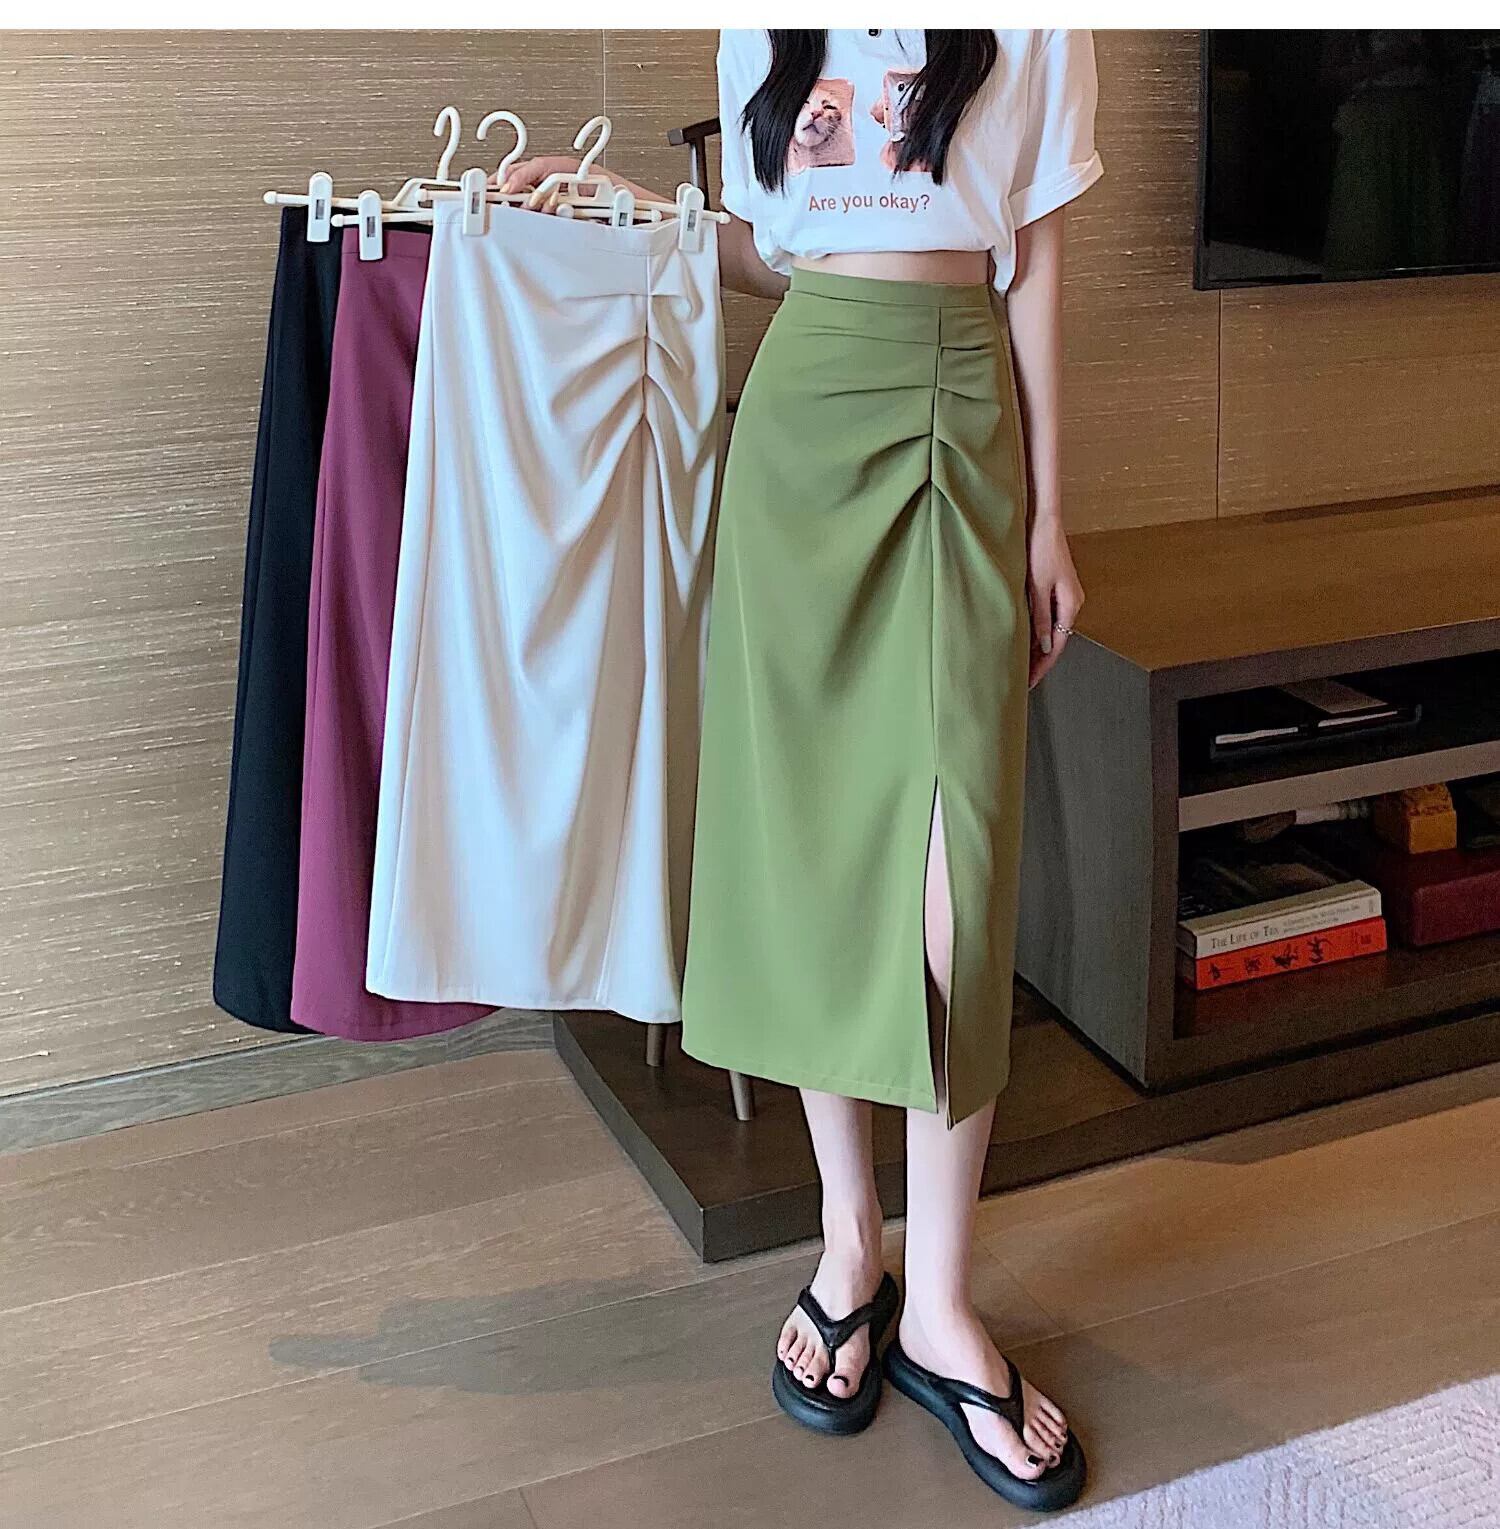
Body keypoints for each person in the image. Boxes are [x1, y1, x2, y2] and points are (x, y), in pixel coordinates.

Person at [503, 27, 1100, 1512]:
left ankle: (943, 1302)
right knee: (817, 848)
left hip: (957, 412)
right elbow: (780, 249)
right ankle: (853, 1248)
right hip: (801, 421)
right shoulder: (760, 24)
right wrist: (629, 214)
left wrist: (1049, 514)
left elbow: (1034, 254)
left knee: (955, 874)